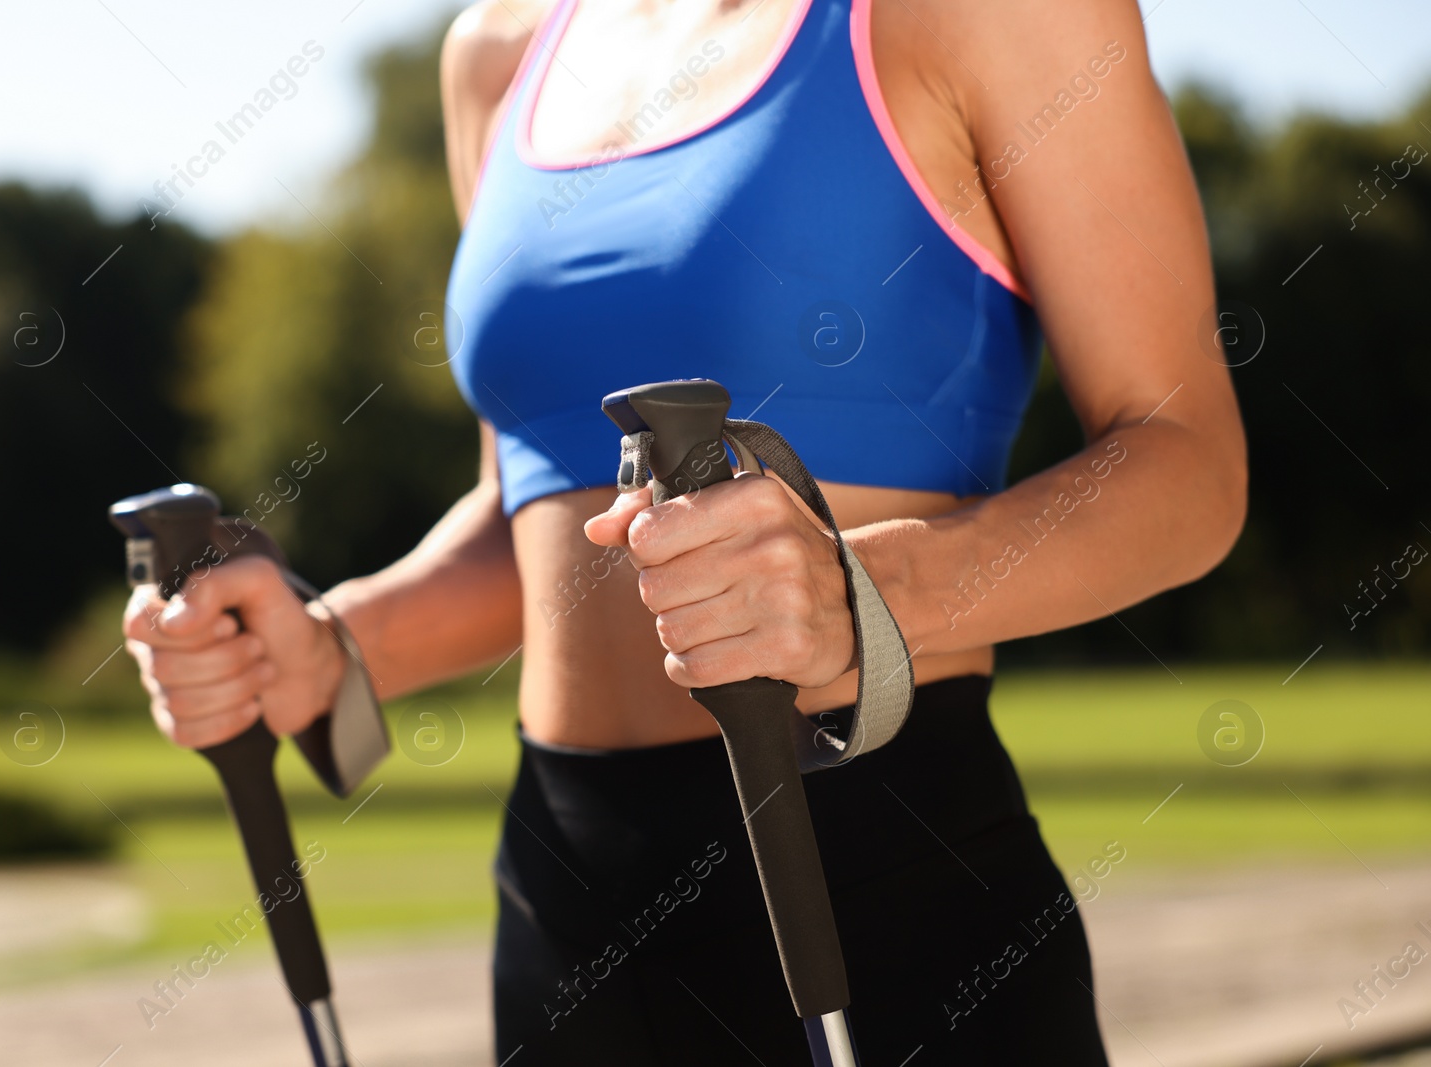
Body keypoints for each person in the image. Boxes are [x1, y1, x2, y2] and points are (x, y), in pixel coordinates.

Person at [122, 0, 1246, 1061]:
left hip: (880, 872)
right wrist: (327, 644)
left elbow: (1184, 459)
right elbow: (536, 520)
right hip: (568, 900)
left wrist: (869, 587)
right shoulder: (499, 55)